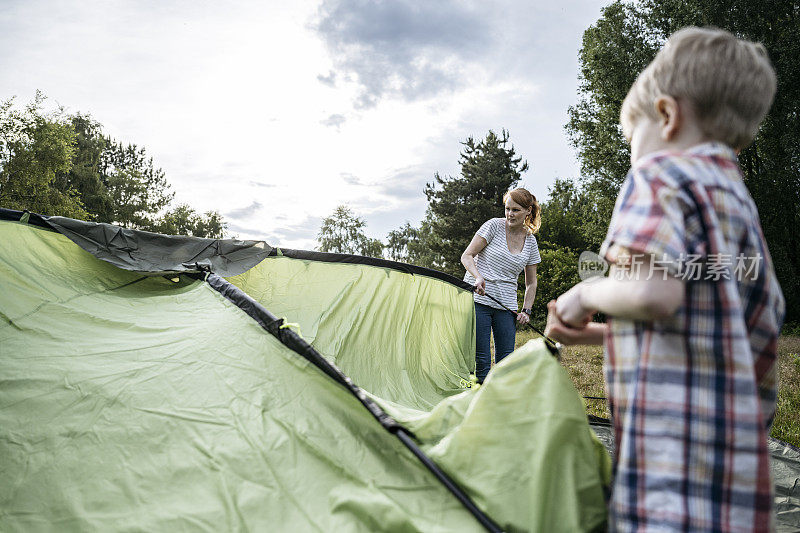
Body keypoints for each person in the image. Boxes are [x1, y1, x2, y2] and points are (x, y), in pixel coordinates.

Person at [545, 27, 785, 531]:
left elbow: (655, 295)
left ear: (667, 116)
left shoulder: (661, 175)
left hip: (668, 475)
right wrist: (594, 335)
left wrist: (586, 292)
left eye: (633, 142)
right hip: (735, 480)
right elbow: (727, 333)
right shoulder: (738, 207)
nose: (634, 156)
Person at [461, 188, 541, 384]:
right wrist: (478, 277)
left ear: (528, 211)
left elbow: (531, 282)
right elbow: (467, 256)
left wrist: (526, 310)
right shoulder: (493, 226)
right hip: (479, 299)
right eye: (507, 209)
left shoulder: (530, 241)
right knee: (482, 360)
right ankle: (480, 404)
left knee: (506, 361)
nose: (510, 214)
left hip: (506, 306)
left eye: (515, 210)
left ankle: (500, 403)